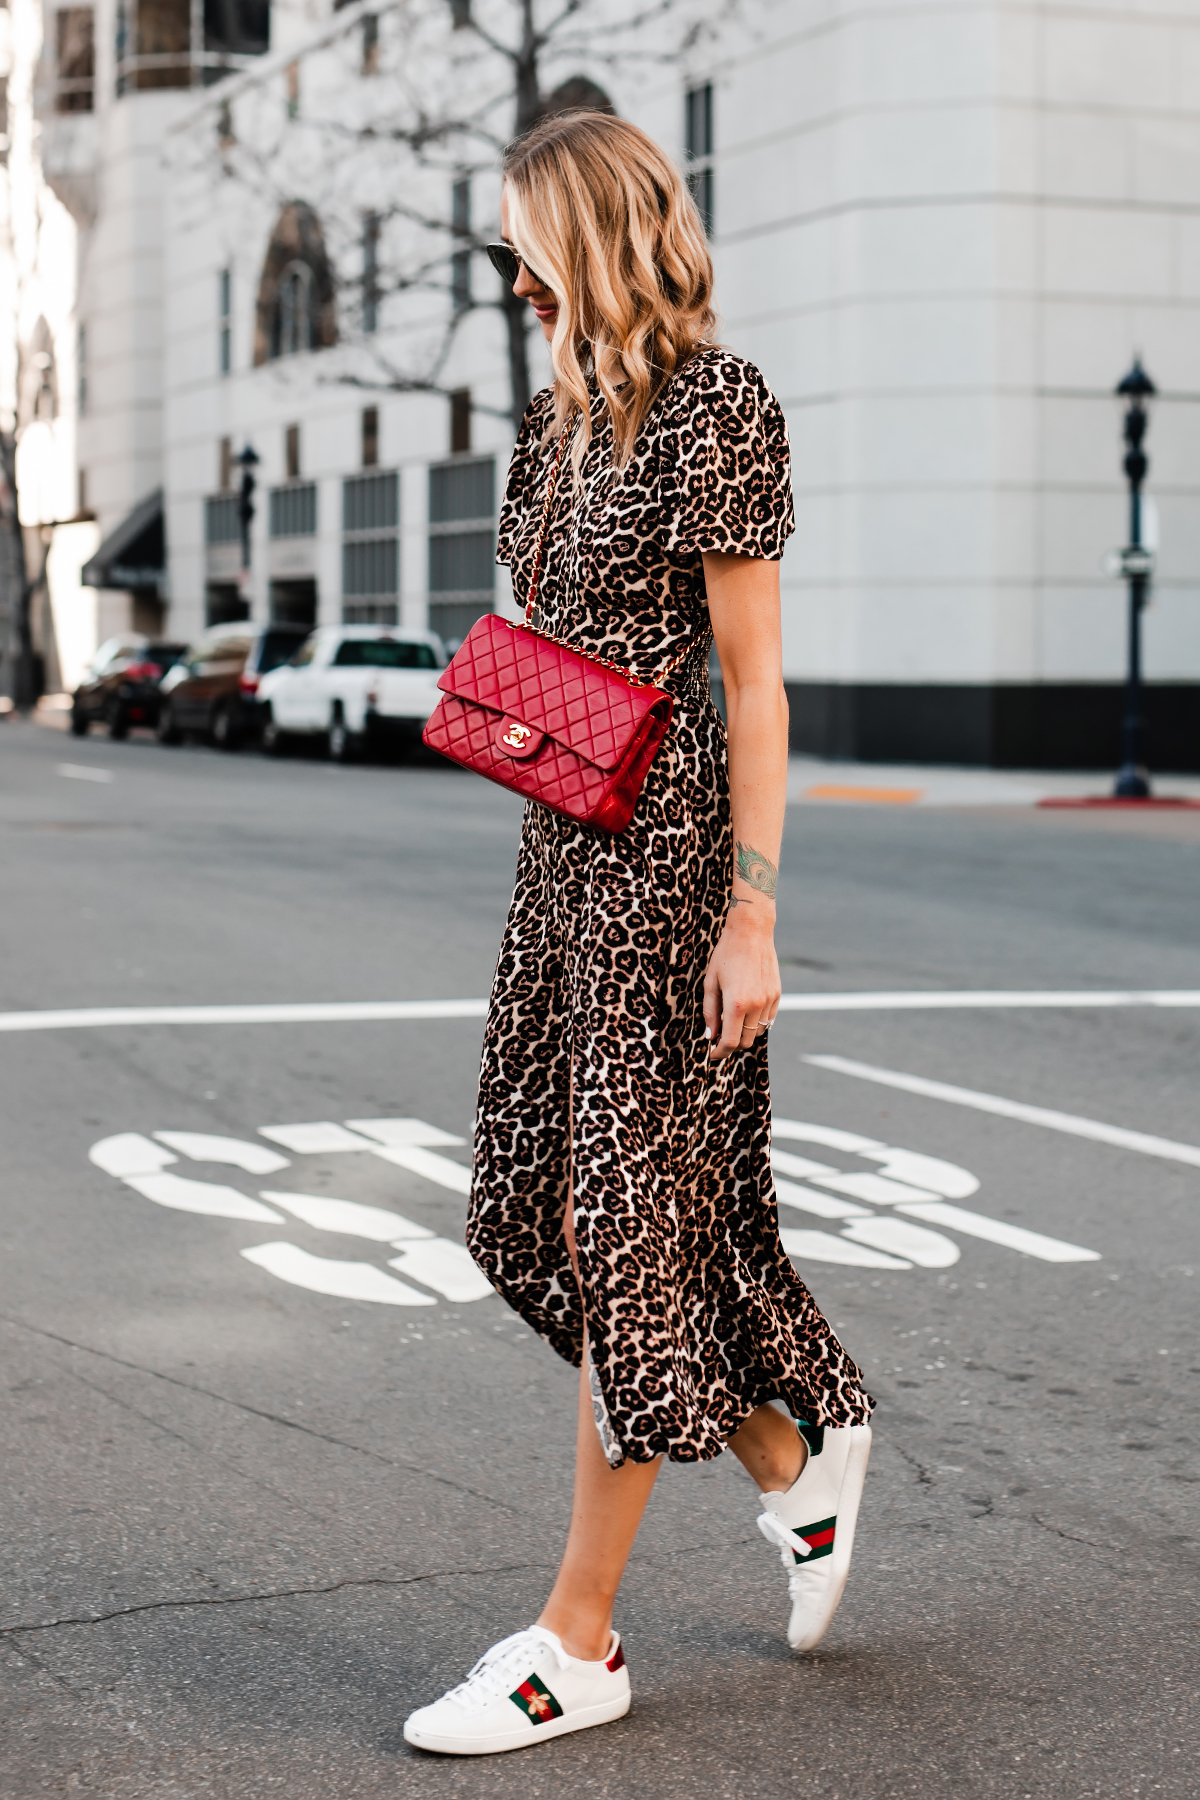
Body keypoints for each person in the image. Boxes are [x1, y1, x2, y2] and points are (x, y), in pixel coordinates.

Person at [404, 110, 874, 1759]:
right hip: (563, 862)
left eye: (517, 243)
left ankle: (576, 1640)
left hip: (672, 883)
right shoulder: (556, 420)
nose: (506, 276)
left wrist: (752, 913)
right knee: (515, 1220)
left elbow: (753, 680)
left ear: (583, 231)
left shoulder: (719, 408)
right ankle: (783, 1447)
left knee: (627, 1234)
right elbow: (559, 635)